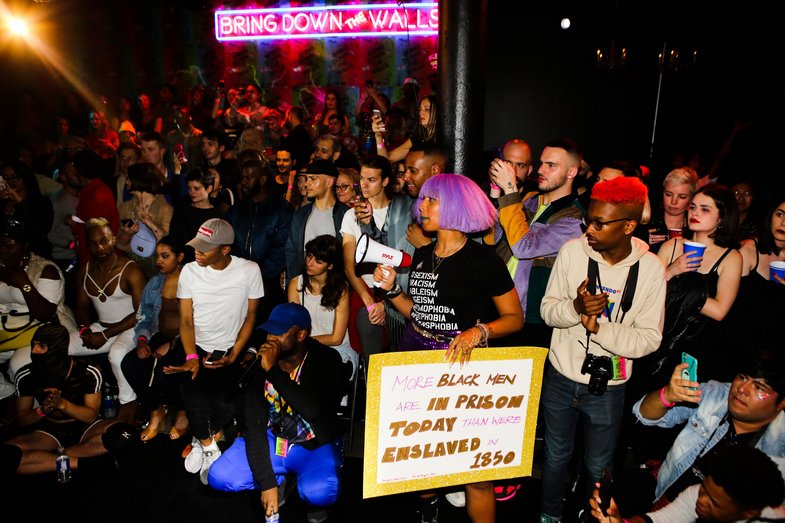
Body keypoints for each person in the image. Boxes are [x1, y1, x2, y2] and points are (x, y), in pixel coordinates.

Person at [374, 173, 524, 523]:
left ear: (457, 207)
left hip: (463, 368)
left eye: (431, 200)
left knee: (477, 473)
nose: (420, 206)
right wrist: (394, 291)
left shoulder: (484, 260)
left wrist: (479, 331)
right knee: (422, 461)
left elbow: (514, 318)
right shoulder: (424, 254)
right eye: (422, 199)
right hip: (418, 361)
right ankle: (429, 512)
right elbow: (420, 314)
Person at [538, 176, 666, 523]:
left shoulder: (651, 269)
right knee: (555, 456)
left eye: (598, 223)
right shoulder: (571, 252)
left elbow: (649, 339)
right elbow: (547, 311)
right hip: (561, 376)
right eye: (588, 220)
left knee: (599, 464)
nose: (588, 230)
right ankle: (549, 515)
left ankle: (597, 519)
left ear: (628, 226)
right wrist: (575, 308)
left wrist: (602, 329)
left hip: (609, 386)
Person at [163, 218, 263, 484]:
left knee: (223, 406)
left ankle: (201, 439)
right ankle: (209, 447)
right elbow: (185, 321)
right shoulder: (189, 272)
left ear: (225, 249)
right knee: (195, 402)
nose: (198, 251)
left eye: (205, 247)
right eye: (197, 245)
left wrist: (235, 353)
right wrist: (191, 356)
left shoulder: (250, 271)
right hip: (195, 345)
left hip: (230, 347)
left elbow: (251, 317)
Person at [631, 352, 785, 508]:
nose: (742, 389)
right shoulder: (717, 394)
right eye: (743, 377)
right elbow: (643, 414)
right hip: (663, 487)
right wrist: (667, 396)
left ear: (781, 403)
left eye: (759, 387)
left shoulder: (778, 449)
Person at [0, 323, 137, 479]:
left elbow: (90, 416)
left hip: (85, 428)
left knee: (124, 434)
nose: (34, 351)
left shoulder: (87, 371)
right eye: (33, 345)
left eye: (41, 346)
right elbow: (22, 419)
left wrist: (63, 404)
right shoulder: (25, 375)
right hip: (49, 431)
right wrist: (41, 410)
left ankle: (51, 458)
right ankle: (81, 463)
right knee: (6, 455)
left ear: (58, 349)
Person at [484, 138, 586, 348]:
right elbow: (490, 237)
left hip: (530, 319)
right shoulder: (528, 200)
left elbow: (524, 248)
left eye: (551, 165)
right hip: (496, 303)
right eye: (541, 163)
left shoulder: (573, 220)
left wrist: (510, 189)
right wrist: (496, 191)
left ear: (571, 172)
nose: (541, 170)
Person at [655, 184, 742, 382]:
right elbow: (648, 293)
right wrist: (671, 271)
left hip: (700, 344)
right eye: (693, 207)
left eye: (705, 209)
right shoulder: (671, 245)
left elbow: (720, 311)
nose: (695, 213)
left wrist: (681, 286)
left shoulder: (731, 257)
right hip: (662, 335)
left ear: (721, 217)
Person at [69, 218, 147, 421]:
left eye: (104, 240)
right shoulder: (85, 271)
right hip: (101, 329)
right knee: (63, 345)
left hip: (132, 328)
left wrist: (104, 335)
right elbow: (81, 308)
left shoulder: (131, 270)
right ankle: (75, 399)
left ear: (113, 239)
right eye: (93, 243)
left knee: (117, 353)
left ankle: (128, 404)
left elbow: (141, 314)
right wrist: (86, 331)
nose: (99, 247)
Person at [588, 446, 785, 523]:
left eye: (714, 502)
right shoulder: (697, 494)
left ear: (749, 512)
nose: (701, 499)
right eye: (704, 489)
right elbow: (657, 520)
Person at [340, 155, 413, 362]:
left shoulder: (403, 211)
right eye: (362, 179)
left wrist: (388, 303)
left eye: (371, 180)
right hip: (367, 289)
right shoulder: (351, 215)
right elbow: (349, 265)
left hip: (400, 288)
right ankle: (373, 383)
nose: (364, 184)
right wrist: (370, 301)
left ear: (385, 181)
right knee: (367, 319)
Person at [120, 236, 189, 442]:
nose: (159, 261)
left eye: (165, 256)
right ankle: (156, 411)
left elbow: (197, 320)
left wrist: (174, 342)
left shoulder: (192, 281)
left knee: (164, 370)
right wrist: (142, 339)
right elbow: (145, 317)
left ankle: (183, 413)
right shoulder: (155, 283)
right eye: (157, 256)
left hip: (186, 339)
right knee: (130, 364)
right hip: (160, 335)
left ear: (180, 257)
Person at [1, 218, 76, 400]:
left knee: (20, 363)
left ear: (25, 245)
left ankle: (32, 409)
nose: (2, 251)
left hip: (42, 332)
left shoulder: (45, 269)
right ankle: (9, 395)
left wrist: (23, 283)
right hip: (8, 332)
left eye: (9, 245)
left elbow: (45, 313)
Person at [228, 158, 293, 325]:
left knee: (264, 328)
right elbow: (229, 244)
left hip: (268, 285)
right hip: (238, 282)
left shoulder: (281, 210)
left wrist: (257, 276)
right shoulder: (237, 210)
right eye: (242, 177)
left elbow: (280, 250)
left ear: (262, 179)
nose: (244, 182)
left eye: (248, 177)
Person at [287, 234, 357, 377]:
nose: (310, 263)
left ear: (330, 265)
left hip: (336, 350)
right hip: (304, 348)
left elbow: (336, 338)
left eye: (318, 261)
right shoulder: (296, 284)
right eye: (309, 256)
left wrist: (304, 340)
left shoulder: (340, 289)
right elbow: (294, 326)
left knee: (323, 375)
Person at [285, 160, 349, 283]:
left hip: (335, 286)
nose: (306, 184)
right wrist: (293, 282)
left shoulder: (346, 215)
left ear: (330, 181)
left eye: (313, 179)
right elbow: (291, 250)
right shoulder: (301, 214)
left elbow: (350, 257)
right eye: (306, 179)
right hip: (304, 287)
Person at [117, 162, 174, 279]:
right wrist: (126, 234)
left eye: (129, 178)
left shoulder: (165, 209)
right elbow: (120, 245)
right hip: (132, 270)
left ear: (139, 180)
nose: (126, 181)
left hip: (158, 272)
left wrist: (151, 224)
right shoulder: (125, 208)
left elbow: (168, 246)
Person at [168, 167, 226, 263]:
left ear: (209, 188)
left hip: (210, 266)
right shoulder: (181, 210)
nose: (192, 192)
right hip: (185, 265)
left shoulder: (218, 215)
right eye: (189, 188)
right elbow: (174, 239)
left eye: (196, 188)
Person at [0, 159, 54, 260]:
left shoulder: (41, 202)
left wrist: (18, 200)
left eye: (15, 177)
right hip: (6, 257)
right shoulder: (3, 202)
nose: (11, 181)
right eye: (6, 178)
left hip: (35, 255)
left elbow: (41, 228)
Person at [646, 168, 700, 253]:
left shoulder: (695, 228)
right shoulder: (646, 221)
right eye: (668, 194)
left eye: (682, 197)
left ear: (692, 199)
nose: (673, 201)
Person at [373, 95, 437, 163]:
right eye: (420, 109)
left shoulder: (442, 139)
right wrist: (378, 136)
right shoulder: (417, 138)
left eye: (426, 109)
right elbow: (387, 159)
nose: (421, 112)